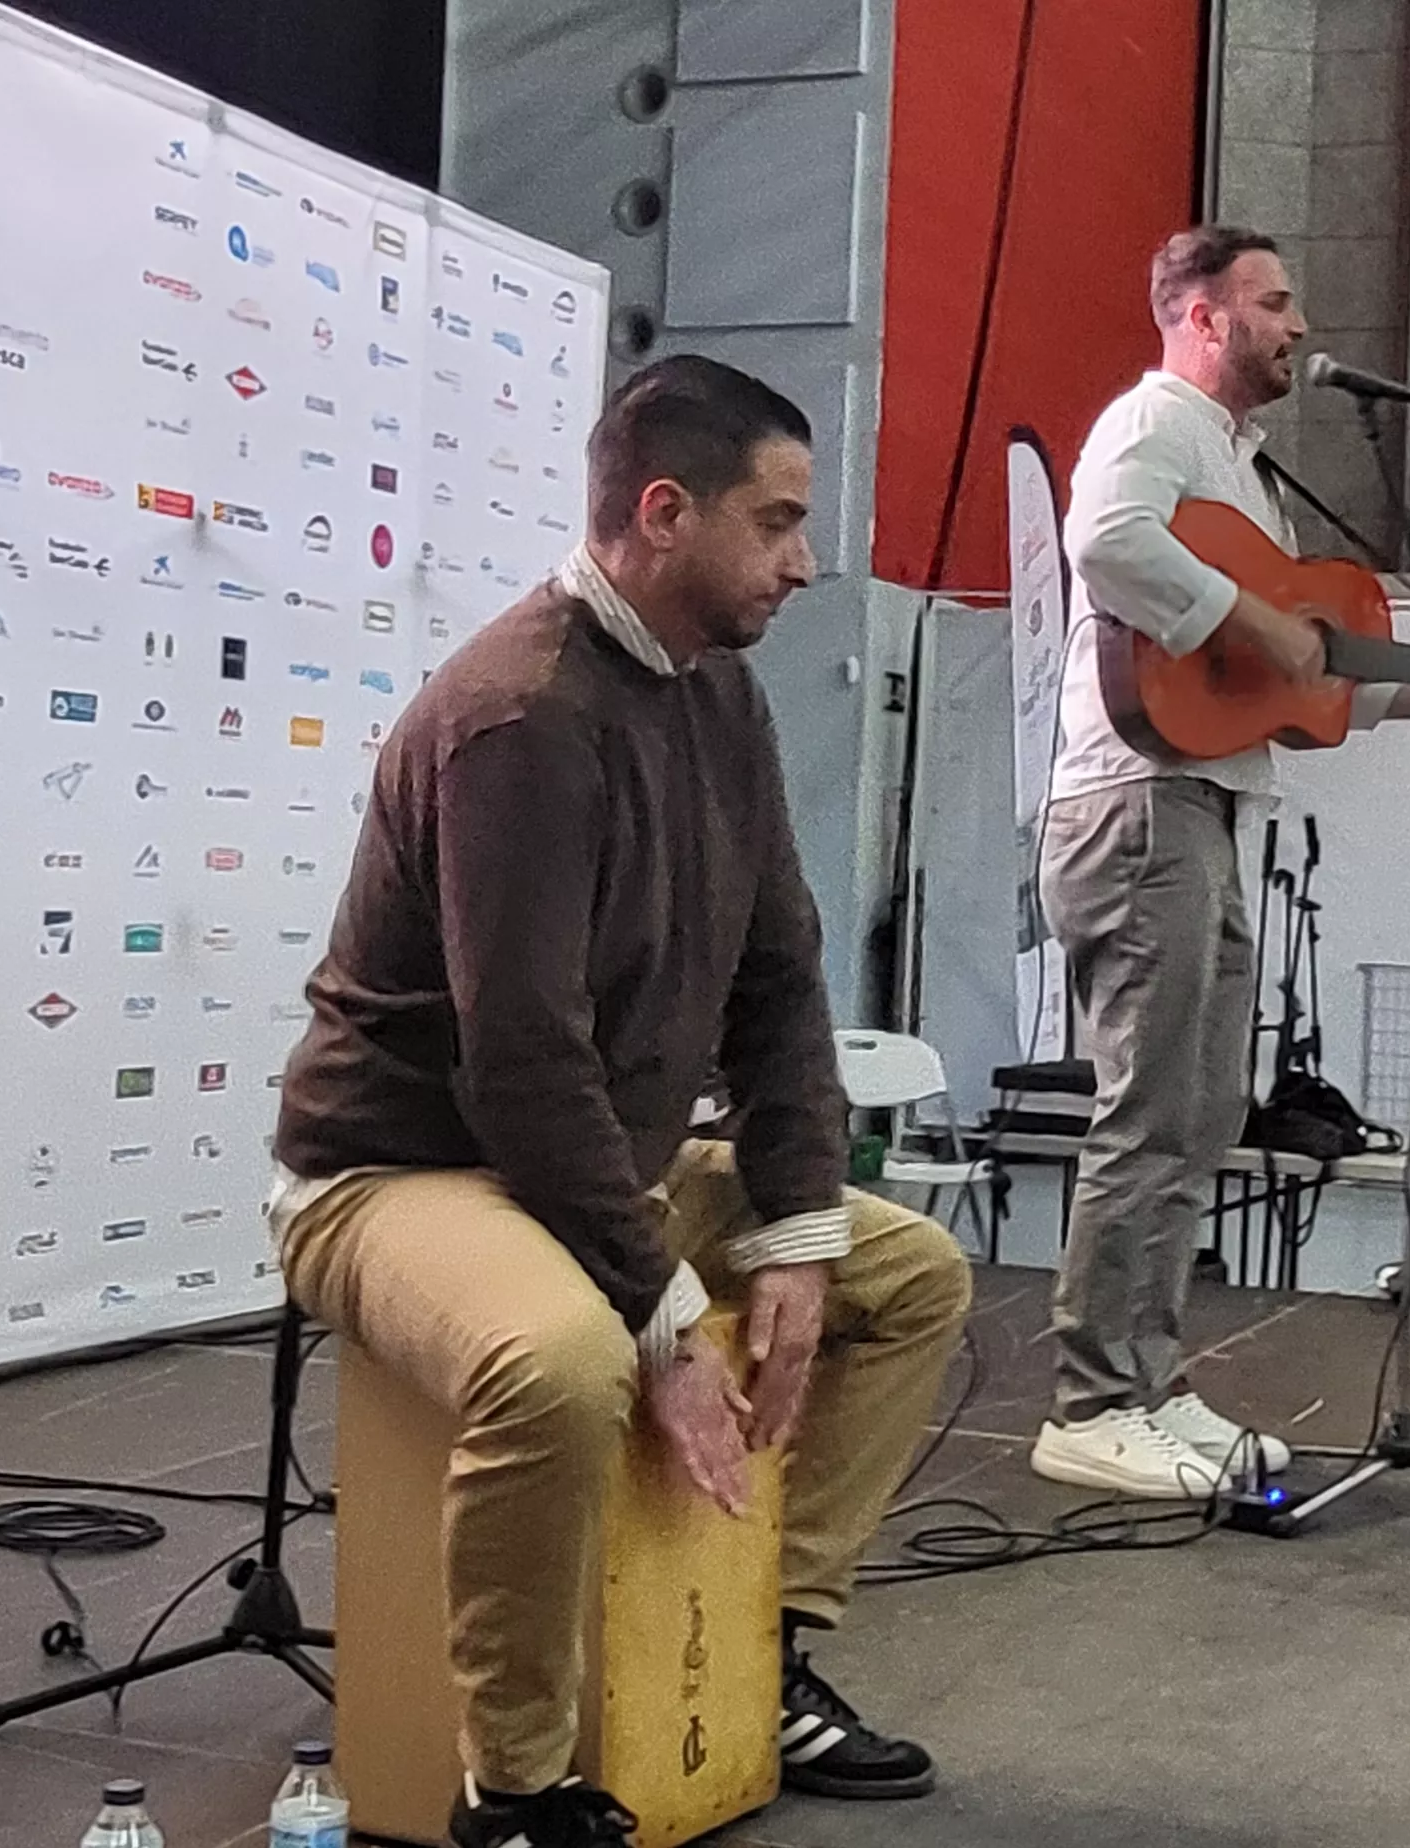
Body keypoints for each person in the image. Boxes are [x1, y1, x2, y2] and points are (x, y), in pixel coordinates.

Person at [270, 356, 972, 1848]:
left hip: (585, 1160)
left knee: (907, 1276)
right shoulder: (520, 718)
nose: (806, 560)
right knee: (562, 1358)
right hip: (396, 1175)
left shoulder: (718, 693)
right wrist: (660, 1319)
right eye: (777, 522)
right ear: (664, 513)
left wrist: (792, 1229)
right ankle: (511, 1789)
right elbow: (519, 1062)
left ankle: (772, 1645)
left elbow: (782, 982)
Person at [1031, 225, 1410, 1499]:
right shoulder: (1153, 421)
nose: (1299, 324)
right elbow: (1105, 542)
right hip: (1138, 803)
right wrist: (1257, 616)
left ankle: (1145, 1383)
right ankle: (1091, 1401)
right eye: (1273, 302)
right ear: (1201, 318)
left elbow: (1302, 686)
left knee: (1202, 1116)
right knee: (1150, 1114)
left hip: (1203, 803)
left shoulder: (1249, 476)